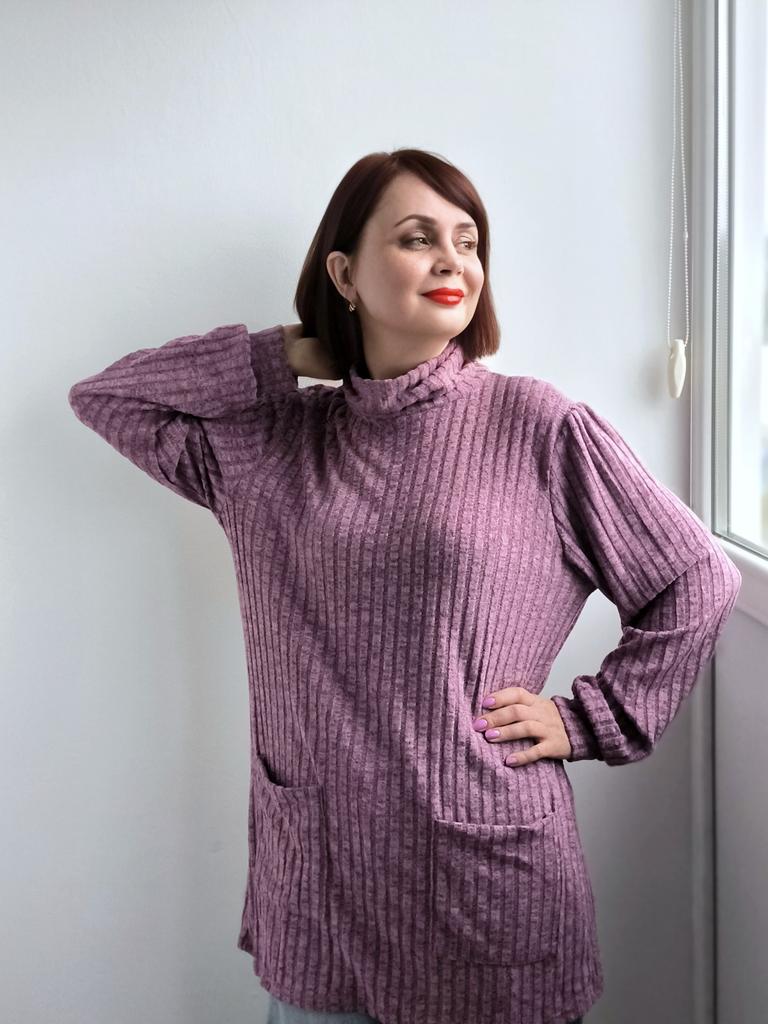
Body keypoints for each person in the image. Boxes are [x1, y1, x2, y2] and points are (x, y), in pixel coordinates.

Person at [67, 147, 740, 1024]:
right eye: (417, 238)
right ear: (344, 273)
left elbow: (697, 578)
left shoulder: (538, 426)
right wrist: (285, 354)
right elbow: (108, 398)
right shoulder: (269, 445)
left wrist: (590, 718)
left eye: (468, 241)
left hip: (486, 889)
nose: (452, 260)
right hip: (320, 896)